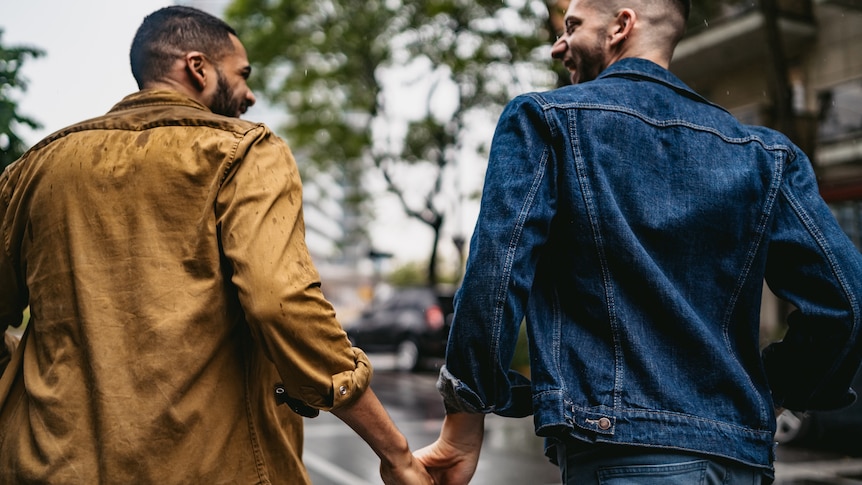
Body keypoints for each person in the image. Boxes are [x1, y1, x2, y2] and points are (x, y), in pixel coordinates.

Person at [414, 0, 862, 483]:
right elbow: (846, 301)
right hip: (741, 461)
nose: (556, 46)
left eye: (572, 27)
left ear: (621, 26)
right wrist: (775, 390)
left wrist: (463, 422)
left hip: (622, 454)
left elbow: (495, 277)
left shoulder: (545, 121)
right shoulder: (768, 156)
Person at [0, 6, 431, 484]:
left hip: (45, 466)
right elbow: (281, 304)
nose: (249, 93)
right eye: (241, 74)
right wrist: (397, 455)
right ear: (198, 67)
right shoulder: (245, 151)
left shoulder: (32, 171)